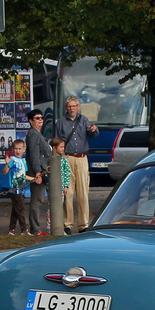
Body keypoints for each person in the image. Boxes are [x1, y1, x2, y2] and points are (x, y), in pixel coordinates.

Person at [54, 95, 98, 234]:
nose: (71, 108)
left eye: (74, 106)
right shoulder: (60, 122)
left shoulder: (84, 120)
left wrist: (94, 130)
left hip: (82, 158)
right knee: (67, 192)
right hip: (67, 158)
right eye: (69, 106)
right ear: (66, 108)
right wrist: (58, 159)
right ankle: (67, 224)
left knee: (83, 192)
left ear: (78, 107)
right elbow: (55, 142)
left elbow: (93, 135)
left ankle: (83, 224)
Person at [24, 110, 53, 235]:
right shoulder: (34, 134)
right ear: (31, 121)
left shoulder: (37, 133)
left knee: (38, 200)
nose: (40, 120)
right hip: (38, 171)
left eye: (41, 117)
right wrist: (37, 172)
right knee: (37, 200)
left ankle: (35, 228)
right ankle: (35, 229)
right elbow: (34, 154)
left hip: (42, 170)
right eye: (37, 118)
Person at [2, 139, 31, 235]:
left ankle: (11, 229)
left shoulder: (23, 161)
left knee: (16, 210)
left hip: (22, 189)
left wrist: (33, 179)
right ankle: (24, 230)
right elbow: (4, 172)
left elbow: (23, 175)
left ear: (24, 149)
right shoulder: (12, 160)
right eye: (16, 149)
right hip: (15, 189)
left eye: (20, 149)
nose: (18, 151)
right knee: (21, 209)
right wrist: (7, 164)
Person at [49, 136, 73, 222]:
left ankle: (59, 225)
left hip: (62, 187)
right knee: (51, 207)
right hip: (52, 188)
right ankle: (50, 226)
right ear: (54, 148)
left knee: (60, 206)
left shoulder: (64, 159)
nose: (63, 149)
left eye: (63, 147)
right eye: (61, 147)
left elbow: (67, 173)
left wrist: (66, 186)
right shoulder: (50, 159)